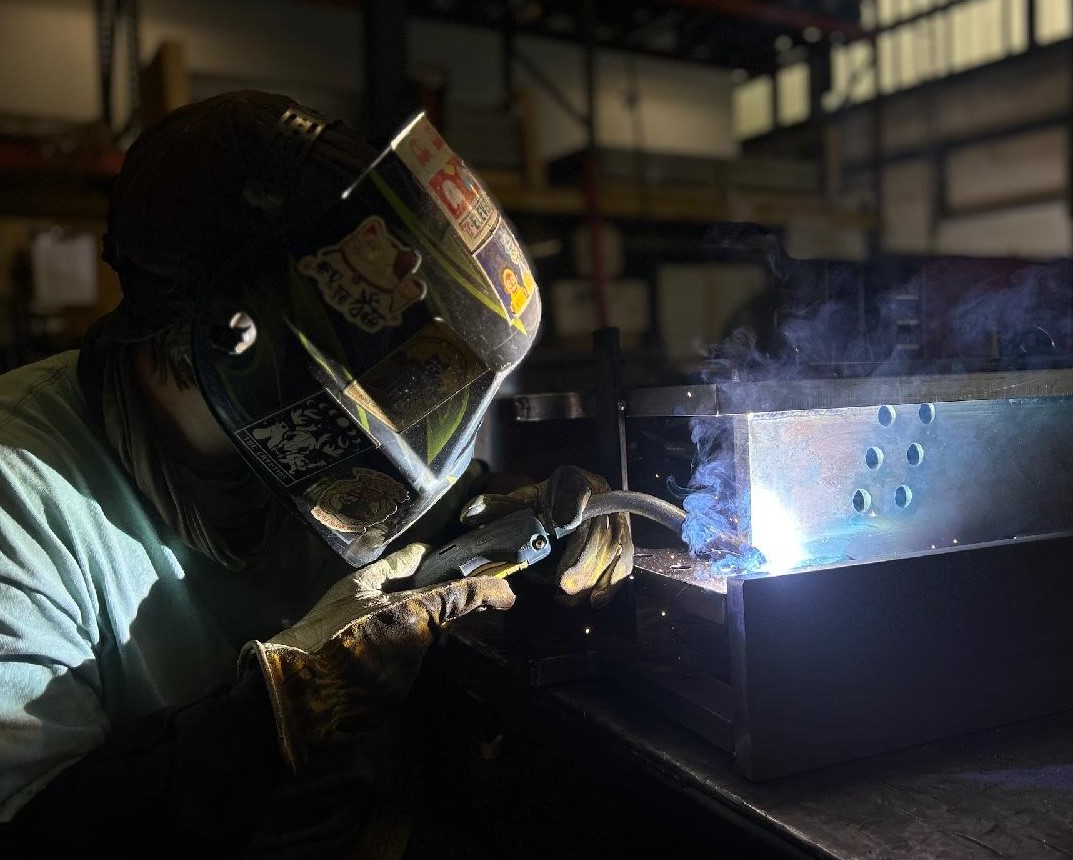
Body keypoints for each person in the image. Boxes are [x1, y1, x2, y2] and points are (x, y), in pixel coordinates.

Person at [0, 90, 633, 854]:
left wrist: (520, 524)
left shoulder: (302, 430)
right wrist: (277, 712)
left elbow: (436, 531)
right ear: (243, 343)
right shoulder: (20, 493)